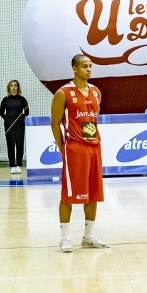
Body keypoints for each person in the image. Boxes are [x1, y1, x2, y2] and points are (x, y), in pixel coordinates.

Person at [51, 54, 109, 253]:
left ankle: (88, 236)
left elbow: (92, 120)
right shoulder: (63, 93)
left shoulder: (96, 92)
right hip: (74, 148)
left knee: (93, 194)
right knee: (68, 195)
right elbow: (55, 124)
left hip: (94, 147)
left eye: (90, 66)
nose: (89, 69)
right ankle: (65, 238)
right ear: (74, 68)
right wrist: (63, 148)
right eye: (85, 66)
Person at [0, 79, 29, 174]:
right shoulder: (5, 99)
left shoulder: (22, 99)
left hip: (20, 125)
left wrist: (21, 118)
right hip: (9, 125)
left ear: (18, 87)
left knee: (19, 144)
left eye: (15, 85)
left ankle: (18, 164)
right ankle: (12, 165)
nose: (13, 87)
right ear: (9, 87)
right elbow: (1, 113)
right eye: (11, 85)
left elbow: (27, 112)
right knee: (11, 144)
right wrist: (7, 119)